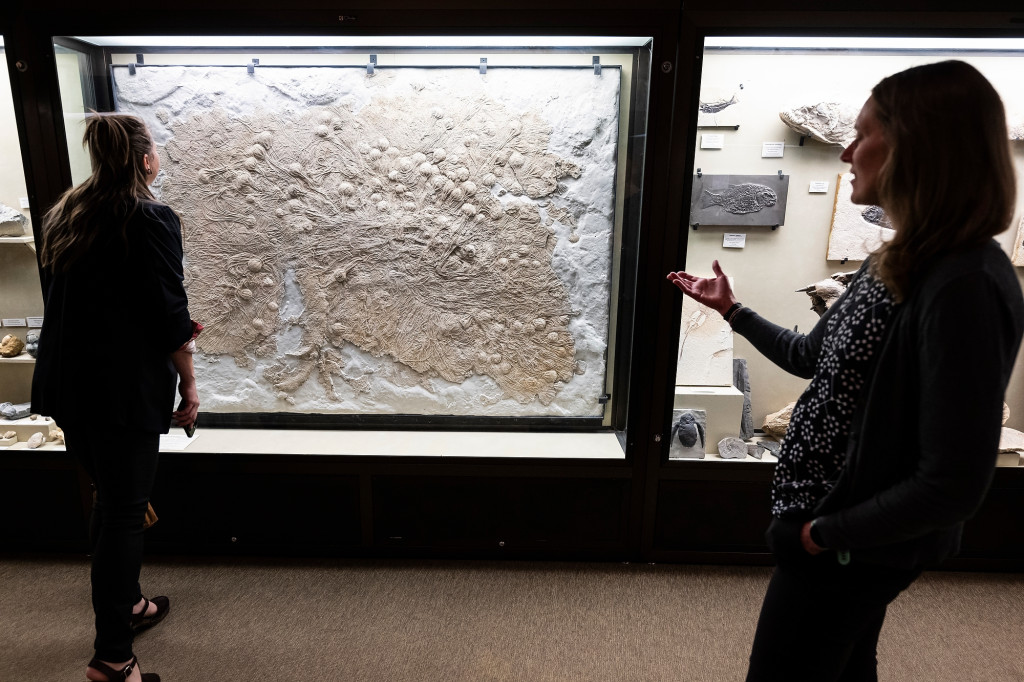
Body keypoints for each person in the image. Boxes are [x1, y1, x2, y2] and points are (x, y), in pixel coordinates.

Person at [668, 60, 1024, 681]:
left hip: (850, 544)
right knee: (842, 664)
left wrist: (824, 534)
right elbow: (813, 359)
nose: (846, 154)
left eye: (862, 135)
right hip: (831, 529)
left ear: (917, 146)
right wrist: (734, 311)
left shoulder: (966, 283)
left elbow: (953, 482)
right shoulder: (897, 259)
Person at [32, 113, 199, 682]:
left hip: (68, 387)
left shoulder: (65, 213)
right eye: (155, 149)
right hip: (121, 391)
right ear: (143, 159)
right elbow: (168, 312)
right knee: (125, 512)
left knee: (109, 501)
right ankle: (112, 659)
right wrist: (190, 383)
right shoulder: (150, 217)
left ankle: (127, 605)